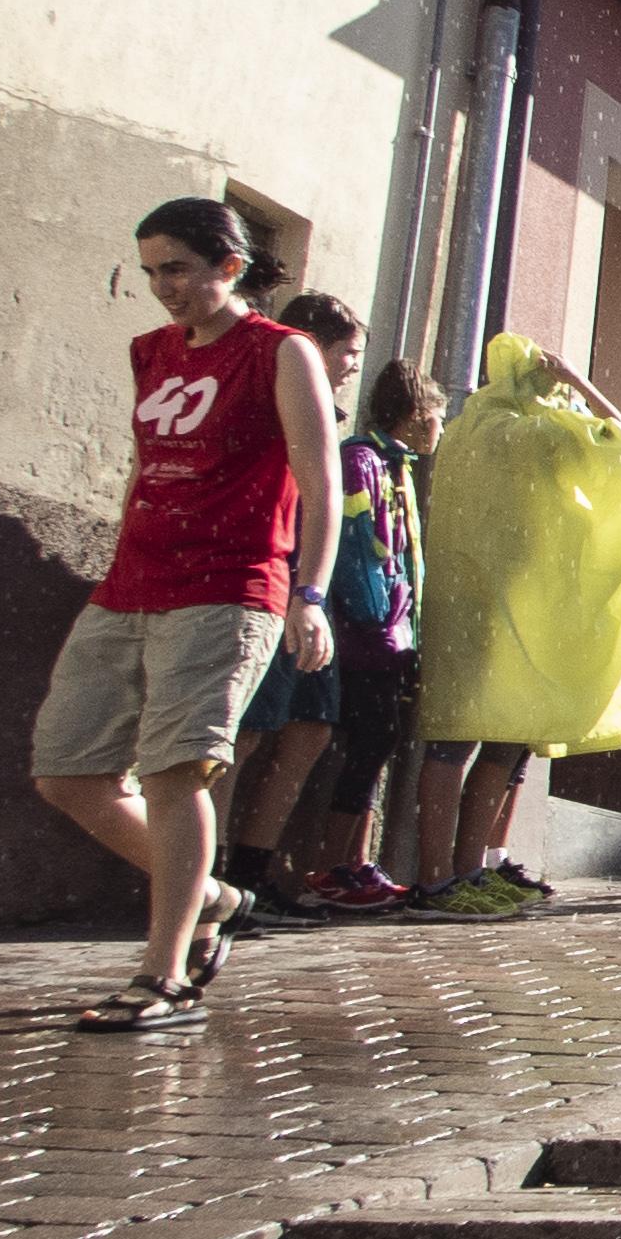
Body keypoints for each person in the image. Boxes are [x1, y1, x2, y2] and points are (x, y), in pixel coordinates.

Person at [29, 197, 341, 1032]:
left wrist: (310, 596)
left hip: (230, 588)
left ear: (228, 266)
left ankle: (163, 974)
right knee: (68, 772)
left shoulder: (282, 353)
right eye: (152, 271)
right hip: (132, 584)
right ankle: (213, 896)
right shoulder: (151, 353)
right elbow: (143, 470)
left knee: (175, 773)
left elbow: (321, 484)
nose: (163, 287)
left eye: (178, 268)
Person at [406, 346, 621, 923]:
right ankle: (442, 879)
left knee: (483, 738)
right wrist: (579, 383)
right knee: (475, 740)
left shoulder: (471, 427)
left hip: (483, 606)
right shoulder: (534, 432)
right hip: (502, 608)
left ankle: (458, 874)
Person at [218, 292, 373, 926]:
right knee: (245, 736)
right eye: (347, 354)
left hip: (313, 595)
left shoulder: (327, 416)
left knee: (308, 730)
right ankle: (214, 882)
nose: (351, 367)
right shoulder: (270, 394)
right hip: (267, 584)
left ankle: (255, 875)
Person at [292, 359, 436, 907]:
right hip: (364, 637)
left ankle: (355, 864)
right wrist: (379, 621)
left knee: (376, 743)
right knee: (365, 743)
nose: (439, 431)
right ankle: (333, 867)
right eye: (437, 417)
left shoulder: (393, 464)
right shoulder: (363, 461)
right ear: (419, 414)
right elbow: (360, 552)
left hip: (387, 636)